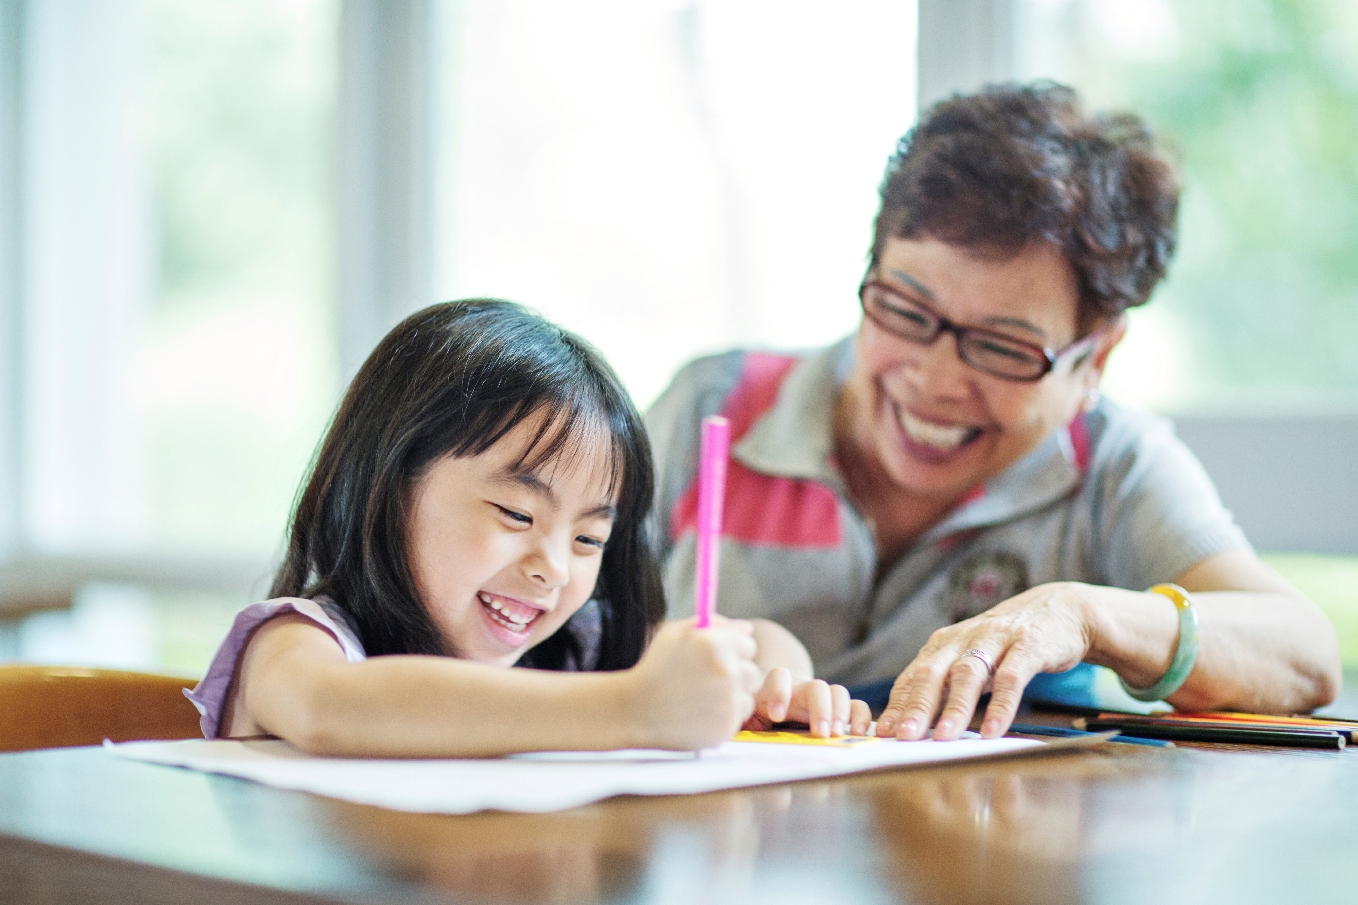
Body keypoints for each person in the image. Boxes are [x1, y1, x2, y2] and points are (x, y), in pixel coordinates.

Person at [645, 82, 1341, 742]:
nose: (935, 379)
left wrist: (1084, 613)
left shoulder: (1109, 468)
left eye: (1003, 346)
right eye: (907, 308)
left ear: (1093, 361)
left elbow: (1304, 655)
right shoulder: (715, 407)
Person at [188, 300, 869, 756]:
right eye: (517, 514)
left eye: (588, 539)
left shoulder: (573, 644)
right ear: (390, 485)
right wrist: (634, 707)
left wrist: (769, 683)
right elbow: (328, 708)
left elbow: (758, 640)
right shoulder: (298, 638)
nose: (553, 567)